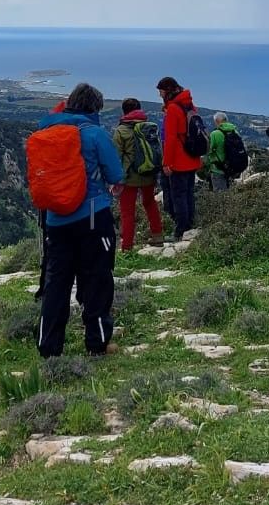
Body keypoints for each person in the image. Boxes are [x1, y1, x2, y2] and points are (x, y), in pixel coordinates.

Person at [36, 82, 124, 358]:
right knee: (97, 278)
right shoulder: (95, 133)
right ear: (95, 108)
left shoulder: (46, 130)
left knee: (56, 283)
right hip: (92, 217)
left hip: (55, 220)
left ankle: (49, 348)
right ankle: (97, 343)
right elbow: (116, 174)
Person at [156, 76, 205, 241]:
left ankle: (180, 230)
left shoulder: (173, 109)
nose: (159, 95)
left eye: (161, 91)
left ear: (167, 91)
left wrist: (166, 162)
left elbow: (170, 139)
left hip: (178, 160)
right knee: (189, 194)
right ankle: (190, 224)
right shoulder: (190, 106)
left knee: (178, 196)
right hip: (192, 157)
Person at [114, 97, 165, 251]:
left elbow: (117, 156)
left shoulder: (121, 131)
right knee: (150, 203)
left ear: (124, 111)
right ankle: (158, 235)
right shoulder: (149, 127)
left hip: (129, 177)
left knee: (127, 211)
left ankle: (128, 245)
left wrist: (116, 178)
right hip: (148, 172)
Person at [206, 112, 243, 191]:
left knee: (220, 197)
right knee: (230, 195)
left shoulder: (215, 134)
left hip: (218, 170)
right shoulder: (235, 132)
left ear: (216, 121)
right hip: (232, 169)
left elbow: (208, 151)